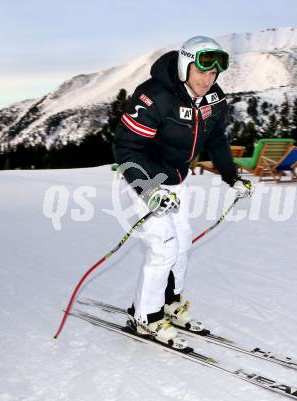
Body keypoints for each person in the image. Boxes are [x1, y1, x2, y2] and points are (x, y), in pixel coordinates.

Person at [113, 36, 252, 349]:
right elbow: (126, 147)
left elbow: (216, 141)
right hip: (144, 176)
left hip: (176, 179)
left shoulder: (213, 99)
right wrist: (148, 190)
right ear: (183, 66)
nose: (207, 79)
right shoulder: (155, 96)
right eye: (201, 71)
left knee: (183, 242)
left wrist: (232, 177)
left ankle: (168, 303)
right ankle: (145, 317)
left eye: (213, 74)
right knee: (163, 246)